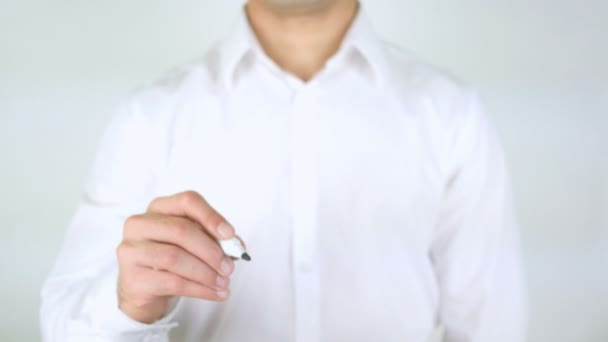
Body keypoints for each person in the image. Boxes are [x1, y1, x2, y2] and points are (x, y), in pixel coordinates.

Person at [40, 0, 527, 341]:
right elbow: (63, 329)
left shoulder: (451, 114)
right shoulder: (149, 116)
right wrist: (130, 304)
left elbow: (493, 328)